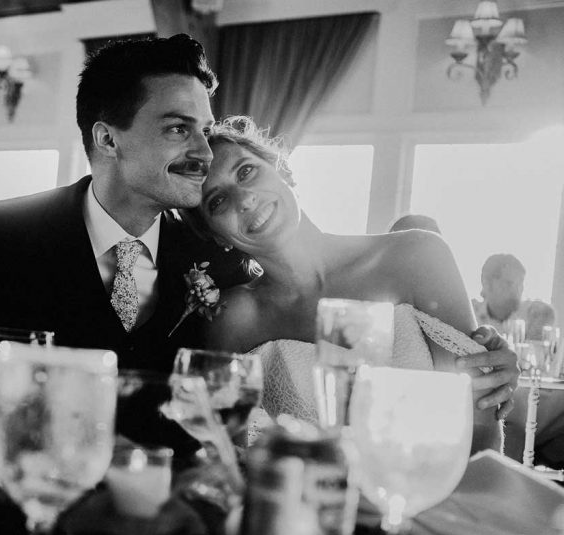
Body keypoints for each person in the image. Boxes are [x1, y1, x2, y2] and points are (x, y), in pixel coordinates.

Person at [185, 116, 519, 453]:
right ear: (217, 235)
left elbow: (479, 429)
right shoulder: (233, 318)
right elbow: (228, 455)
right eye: (217, 201)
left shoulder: (418, 256)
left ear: (281, 169)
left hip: (431, 494)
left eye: (246, 172)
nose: (243, 199)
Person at [0, 35, 246, 373]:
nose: (205, 152)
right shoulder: (2, 233)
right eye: (178, 129)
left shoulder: (214, 247)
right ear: (108, 139)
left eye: (206, 131)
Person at [472, 253, 554, 334]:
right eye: (509, 284)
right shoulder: (471, 315)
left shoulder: (531, 314)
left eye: (520, 284)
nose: (518, 290)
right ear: (487, 283)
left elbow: (547, 313)